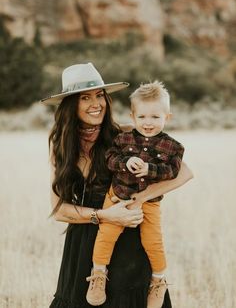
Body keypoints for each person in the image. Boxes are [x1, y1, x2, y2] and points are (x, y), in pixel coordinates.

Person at [41, 62, 193, 308]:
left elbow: (184, 173)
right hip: (84, 242)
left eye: (99, 95)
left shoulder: (124, 135)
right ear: (70, 105)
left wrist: (138, 200)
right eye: (85, 98)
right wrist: (105, 215)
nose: (96, 103)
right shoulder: (61, 146)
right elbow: (59, 210)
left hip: (128, 237)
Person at [87, 81, 184, 308]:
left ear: (167, 117)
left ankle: (158, 280)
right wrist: (126, 161)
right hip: (117, 197)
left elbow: (173, 171)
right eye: (141, 117)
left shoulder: (173, 146)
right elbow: (109, 159)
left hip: (149, 203)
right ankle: (98, 275)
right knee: (105, 236)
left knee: (153, 241)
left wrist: (151, 170)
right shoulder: (123, 139)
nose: (148, 123)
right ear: (133, 116)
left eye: (155, 117)